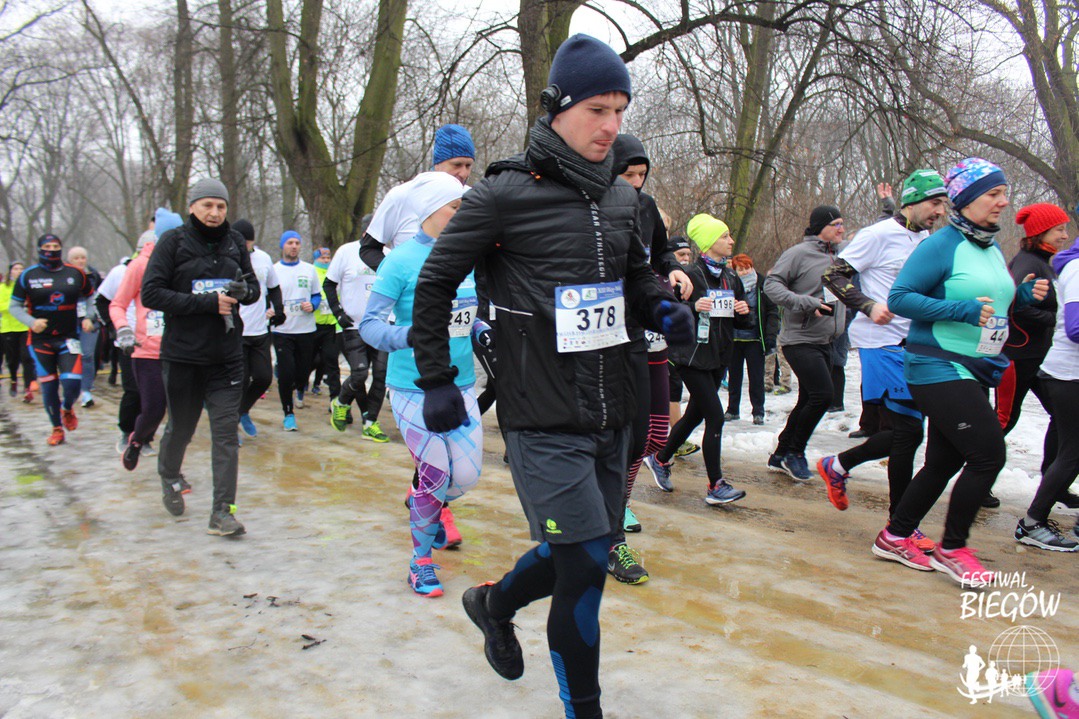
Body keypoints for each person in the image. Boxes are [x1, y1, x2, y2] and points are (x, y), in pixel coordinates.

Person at [409, 35, 693, 719]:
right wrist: (436, 377)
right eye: (597, 109)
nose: (611, 126)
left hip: (612, 408)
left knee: (584, 555)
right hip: (541, 413)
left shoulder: (622, 199)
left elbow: (634, 275)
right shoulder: (502, 195)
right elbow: (435, 283)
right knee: (586, 562)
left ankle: (493, 603)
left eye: (619, 111)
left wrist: (660, 305)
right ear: (556, 109)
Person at [879, 158, 1048, 584]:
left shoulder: (988, 247)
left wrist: (1022, 295)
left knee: (943, 460)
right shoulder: (940, 245)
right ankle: (952, 548)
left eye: (1004, 193)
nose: (1003, 202)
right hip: (936, 364)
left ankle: (894, 535)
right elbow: (899, 298)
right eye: (994, 194)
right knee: (988, 454)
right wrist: (961, 310)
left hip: (975, 366)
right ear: (968, 199)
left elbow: (991, 303)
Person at [359, 172, 487, 597]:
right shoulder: (399, 261)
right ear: (431, 210)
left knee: (465, 477)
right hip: (412, 386)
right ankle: (421, 563)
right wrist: (412, 335)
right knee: (435, 475)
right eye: (455, 208)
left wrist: (483, 330)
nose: (462, 215)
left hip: (462, 383)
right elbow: (370, 326)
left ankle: (422, 503)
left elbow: (465, 316)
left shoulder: (469, 257)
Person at [817, 170, 948, 555]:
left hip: (916, 344)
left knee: (908, 434)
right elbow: (833, 274)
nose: (940, 211)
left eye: (943, 204)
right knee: (908, 431)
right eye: (934, 203)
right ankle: (899, 527)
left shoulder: (926, 239)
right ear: (912, 200)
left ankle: (839, 468)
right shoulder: (877, 235)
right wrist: (869, 305)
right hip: (882, 342)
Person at [141, 178, 260, 535]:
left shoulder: (235, 241)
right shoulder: (173, 241)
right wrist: (207, 303)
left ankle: (222, 512)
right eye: (208, 205)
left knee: (225, 435)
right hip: (183, 357)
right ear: (192, 207)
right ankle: (169, 475)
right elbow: (151, 293)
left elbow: (253, 288)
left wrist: (244, 291)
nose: (214, 212)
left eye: (221, 206)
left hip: (226, 357)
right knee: (182, 428)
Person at [606, 132, 693, 584]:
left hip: (638, 332)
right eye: (628, 174)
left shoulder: (644, 206)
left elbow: (657, 253)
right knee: (610, 441)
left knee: (646, 436)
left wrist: (673, 269)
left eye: (642, 175)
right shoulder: (587, 205)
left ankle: (612, 519)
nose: (637, 183)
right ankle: (607, 536)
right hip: (596, 340)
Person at [647, 214, 751, 505]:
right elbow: (669, 311)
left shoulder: (731, 277)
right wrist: (694, 306)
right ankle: (716, 485)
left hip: (719, 356)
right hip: (690, 356)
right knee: (715, 416)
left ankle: (660, 458)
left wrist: (743, 312)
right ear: (708, 241)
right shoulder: (689, 274)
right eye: (724, 236)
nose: (730, 241)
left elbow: (741, 322)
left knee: (695, 415)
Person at [997, 203, 1076, 510]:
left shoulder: (1045, 263)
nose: (1065, 236)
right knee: (1004, 420)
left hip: (1039, 360)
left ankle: (1055, 482)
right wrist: (1055, 319)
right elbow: (1012, 306)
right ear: (1040, 232)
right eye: (1059, 230)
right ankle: (977, 476)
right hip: (1016, 359)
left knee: (1062, 418)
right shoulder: (1027, 263)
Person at [763, 205, 848, 480]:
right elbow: (771, 286)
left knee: (808, 399)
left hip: (827, 339)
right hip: (800, 339)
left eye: (843, 223)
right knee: (823, 396)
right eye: (836, 224)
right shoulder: (798, 254)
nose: (842, 229)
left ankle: (780, 453)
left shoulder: (842, 255)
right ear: (821, 227)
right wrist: (806, 303)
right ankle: (795, 453)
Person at [1014, 226, 1079, 551]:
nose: (1063, 234)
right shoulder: (1076, 269)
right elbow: (1075, 327)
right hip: (1065, 374)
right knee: (1072, 454)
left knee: (1070, 450)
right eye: (1058, 229)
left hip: (1064, 371)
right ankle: (1032, 522)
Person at [110, 209, 185, 470]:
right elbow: (117, 304)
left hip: (182, 350)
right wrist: (123, 329)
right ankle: (136, 440)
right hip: (148, 351)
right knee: (153, 409)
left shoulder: (186, 262)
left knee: (182, 416)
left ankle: (171, 470)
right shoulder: (140, 265)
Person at [8, 234, 93, 445]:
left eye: (56, 246)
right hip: (40, 340)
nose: (52, 249)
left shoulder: (75, 273)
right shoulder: (28, 275)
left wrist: (89, 317)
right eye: (47, 246)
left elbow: (91, 296)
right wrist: (31, 321)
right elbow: (14, 306)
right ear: (39, 249)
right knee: (49, 386)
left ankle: (67, 408)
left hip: (68, 338)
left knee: (72, 382)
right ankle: (56, 429)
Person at [359, 123, 475, 271]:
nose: (464, 173)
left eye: (468, 166)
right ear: (437, 163)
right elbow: (368, 249)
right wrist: (398, 276)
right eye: (457, 165)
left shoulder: (474, 197)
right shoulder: (401, 195)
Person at [325, 224, 390, 442]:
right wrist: (338, 313)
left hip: (382, 326)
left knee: (381, 375)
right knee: (360, 374)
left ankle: (370, 422)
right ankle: (341, 402)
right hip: (354, 326)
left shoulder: (390, 255)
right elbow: (328, 284)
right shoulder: (346, 251)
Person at [234, 219, 285, 438]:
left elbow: (274, 287)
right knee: (241, 380)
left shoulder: (263, 259)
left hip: (259, 330)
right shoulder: (229, 259)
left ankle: (242, 411)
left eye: (248, 242)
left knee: (264, 378)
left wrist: (279, 310)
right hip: (237, 333)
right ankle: (231, 425)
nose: (244, 246)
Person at [272, 230, 321, 431]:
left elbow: (317, 295)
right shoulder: (274, 270)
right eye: (290, 243)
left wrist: (313, 305)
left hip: (305, 330)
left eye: (297, 243)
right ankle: (288, 414)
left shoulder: (309, 270)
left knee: (302, 373)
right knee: (286, 374)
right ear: (282, 245)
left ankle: (300, 386)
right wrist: (269, 310)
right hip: (282, 330)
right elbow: (267, 296)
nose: (294, 246)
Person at [725, 253, 779, 424]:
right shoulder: (729, 284)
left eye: (746, 268)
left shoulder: (763, 284)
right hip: (734, 338)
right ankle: (732, 409)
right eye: (740, 269)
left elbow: (772, 311)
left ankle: (758, 411)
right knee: (734, 377)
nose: (744, 272)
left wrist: (770, 335)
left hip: (755, 338)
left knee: (756, 377)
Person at [664, 236, 701, 459]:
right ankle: (675, 440)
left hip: (683, 344)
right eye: (681, 255)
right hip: (661, 343)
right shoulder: (661, 277)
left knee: (674, 390)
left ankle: (674, 438)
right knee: (672, 390)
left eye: (688, 254)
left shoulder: (691, 278)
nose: (686, 258)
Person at [65, 246, 101, 408]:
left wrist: (91, 317)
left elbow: (97, 298)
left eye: (83, 258)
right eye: (76, 258)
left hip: (89, 321)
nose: (80, 261)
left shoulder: (93, 275)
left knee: (87, 355)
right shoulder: (63, 275)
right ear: (70, 260)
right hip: (68, 323)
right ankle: (71, 388)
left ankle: (86, 391)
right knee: (72, 355)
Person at [306, 246, 340, 401]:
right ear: (316, 259)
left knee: (331, 361)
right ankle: (301, 383)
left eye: (328, 258)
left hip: (331, 325)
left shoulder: (335, 274)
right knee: (310, 359)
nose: (326, 261)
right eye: (322, 258)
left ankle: (335, 399)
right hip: (313, 324)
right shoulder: (311, 273)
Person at [1, 262, 36, 402]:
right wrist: (16, 304)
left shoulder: (28, 286)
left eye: (21, 268)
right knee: (12, 359)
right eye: (16, 269)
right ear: (10, 272)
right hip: (9, 328)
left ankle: (28, 388)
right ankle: (14, 380)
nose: (19, 271)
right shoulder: (3, 287)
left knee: (27, 357)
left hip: (26, 327)